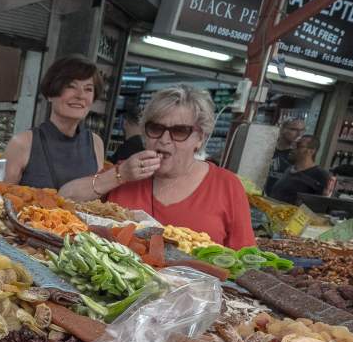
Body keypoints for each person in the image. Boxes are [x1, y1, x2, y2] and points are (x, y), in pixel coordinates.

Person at [86, 84, 255, 249]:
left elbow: (244, 262)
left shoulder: (226, 186)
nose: (164, 139)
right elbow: (66, 197)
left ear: (200, 138)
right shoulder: (125, 172)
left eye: (179, 131)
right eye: (155, 128)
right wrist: (119, 174)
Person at [3, 55, 105, 196]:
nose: (80, 95)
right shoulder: (22, 143)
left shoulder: (96, 143)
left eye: (88, 89)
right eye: (71, 86)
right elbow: (1, 201)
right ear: (50, 94)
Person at [269, 135, 330, 205]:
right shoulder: (289, 169)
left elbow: (320, 206)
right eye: (293, 145)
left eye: (298, 146)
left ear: (311, 151)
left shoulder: (321, 175)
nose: (292, 148)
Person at [264, 117, 306, 194]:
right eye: (294, 130)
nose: (299, 134)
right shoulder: (268, 148)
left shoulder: (298, 156)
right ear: (283, 129)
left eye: (302, 130)